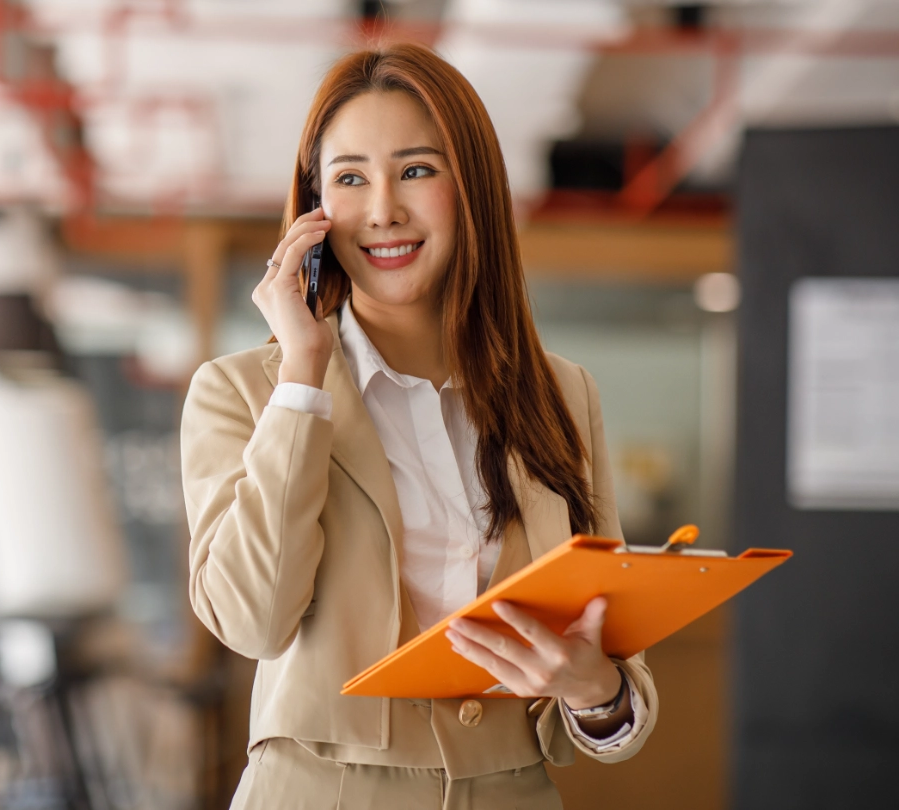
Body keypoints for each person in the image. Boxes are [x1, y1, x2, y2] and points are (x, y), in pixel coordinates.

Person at [179, 44, 657, 809]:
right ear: (314, 210)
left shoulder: (562, 395)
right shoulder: (244, 392)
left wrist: (596, 691)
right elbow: (253, 621)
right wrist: (302, 380)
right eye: (349, 178)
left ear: (473, 188)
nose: (382, 211)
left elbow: (616, 667)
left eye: (416, 170)